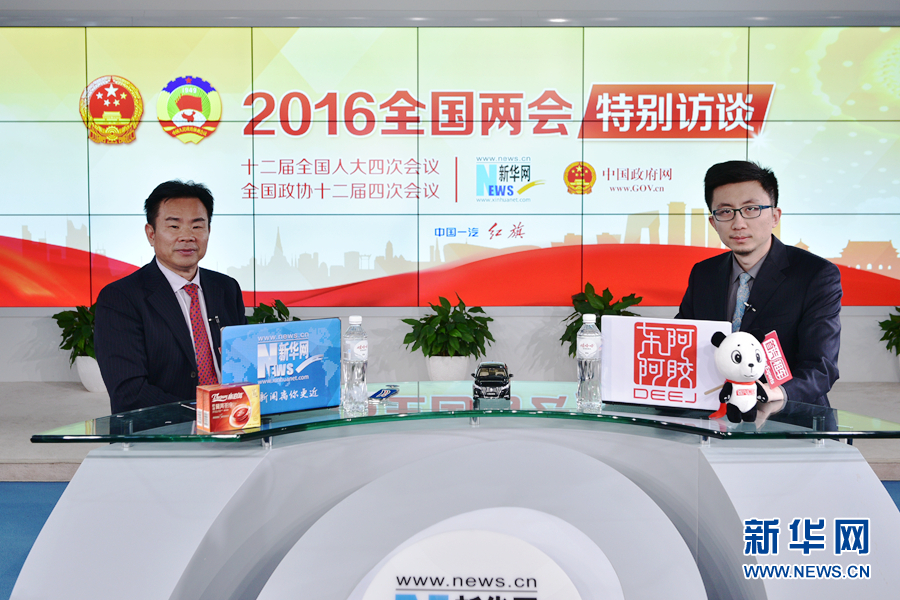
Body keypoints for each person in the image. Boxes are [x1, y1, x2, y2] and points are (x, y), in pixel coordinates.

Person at [676, 161, 841, 407]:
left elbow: (821, 368)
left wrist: (771, 392)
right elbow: (683, 345)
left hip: (789, 415)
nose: (738, 223)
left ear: (775, 216)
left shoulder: (815, 275)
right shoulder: (704, 273)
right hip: (712, 408)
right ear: (713, 222)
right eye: (725, 211)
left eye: (751, 209)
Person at [95, 180, 247, 414]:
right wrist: (205, 413)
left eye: (197, 226)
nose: (187, 236)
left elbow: (243, 365)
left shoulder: (226, 288)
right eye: (174, 226)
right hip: (165, 428)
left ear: (208, 231)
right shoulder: (120, 298)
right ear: (151, 234)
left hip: (234, 419)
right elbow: (129, 393)